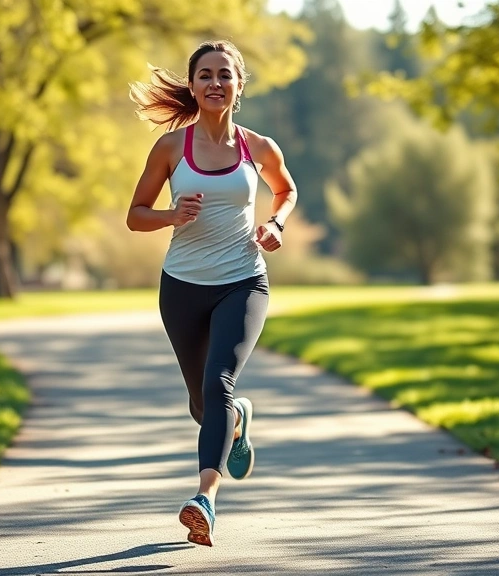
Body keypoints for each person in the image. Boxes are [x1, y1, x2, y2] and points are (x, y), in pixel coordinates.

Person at [125, 40, 298, 547]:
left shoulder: (258, 147)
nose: (215, 83)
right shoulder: (171, 148)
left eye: (225, 74)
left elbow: (286, 191)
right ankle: (237, 419)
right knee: (206, 406)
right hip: (181, 287)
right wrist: (170, 216)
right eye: (205, 75)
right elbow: (135, 215)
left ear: (239, 85)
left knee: (219, 380)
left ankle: (205, 499)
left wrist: (277, 224)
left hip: (243, 282)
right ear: (193, 84)